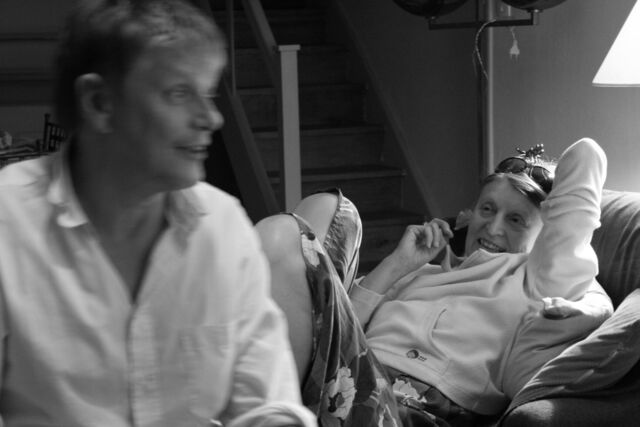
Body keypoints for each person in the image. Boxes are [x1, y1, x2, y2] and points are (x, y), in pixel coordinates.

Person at [0, 1, 316, 426]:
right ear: (99, 103)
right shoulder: (9, 223)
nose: (211, 118)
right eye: (179, 93)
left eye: (208, 93)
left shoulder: (222, 226)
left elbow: (265, 399)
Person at [256, 139, 613, 426]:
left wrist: (553, 223)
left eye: (516, 219)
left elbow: (586, 156)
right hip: (345, 380)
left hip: (408, 411)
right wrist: (398, 264)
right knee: (324, 206)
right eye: (488, 209)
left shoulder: (534, 281)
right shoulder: (421, 273)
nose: (493, 227)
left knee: (284, 232)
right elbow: (346, 327)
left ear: (545, 233)